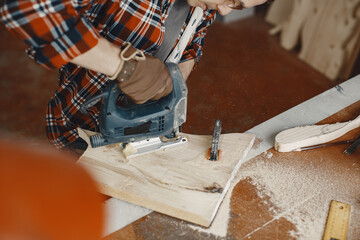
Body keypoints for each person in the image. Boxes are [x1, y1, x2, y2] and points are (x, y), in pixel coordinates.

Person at [0, 0, 268, 151]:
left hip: (142, 141)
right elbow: (26, 8)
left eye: (238, 6)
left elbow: (195, 36)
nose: (224, 11)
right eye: (231, 0)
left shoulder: (206, 3)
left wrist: (175, 82)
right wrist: (125, 67)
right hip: (81, 133)